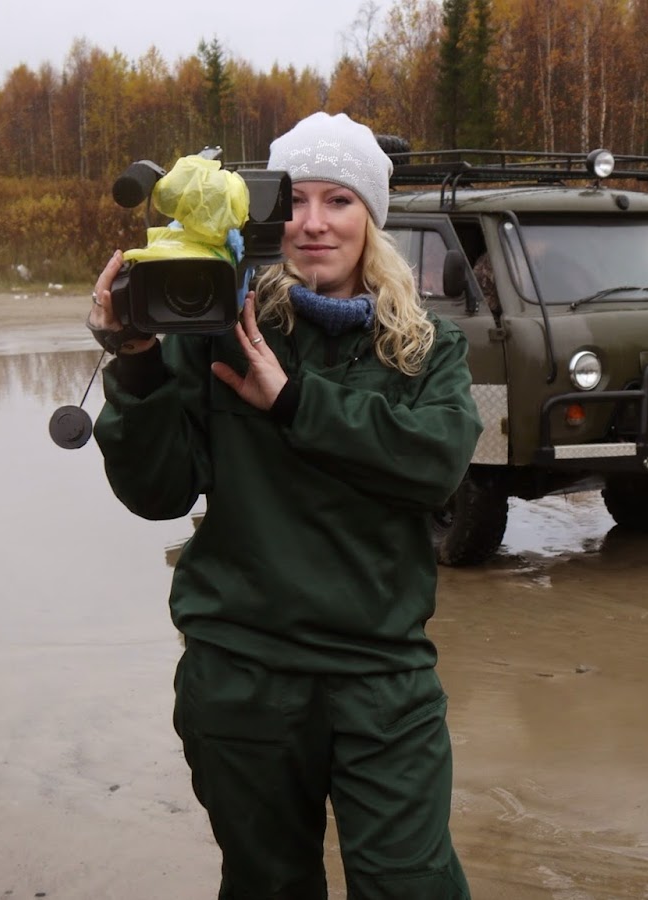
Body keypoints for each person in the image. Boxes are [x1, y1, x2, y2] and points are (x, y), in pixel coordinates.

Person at [87, 112, 481, 899]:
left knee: (411, 883)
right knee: (269, 884)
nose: (312, 223)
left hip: (382, 677)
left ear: (372, 217)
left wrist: (294, 401)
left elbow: (435, 464)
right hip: (244, 676)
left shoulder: (427, 347)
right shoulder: (219, 331)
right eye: (293, 200)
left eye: (339, 200)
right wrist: (134, 370)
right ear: (264, 212)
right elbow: (157, 492)